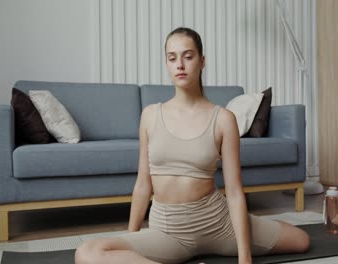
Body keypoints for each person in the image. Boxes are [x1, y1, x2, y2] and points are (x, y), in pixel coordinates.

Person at [75, 27, 310, 264]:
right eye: (172, 58)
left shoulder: (223, 119)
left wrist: (244, 257)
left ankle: (254, 233)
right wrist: (132, 244)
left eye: (188, 56)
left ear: (202, 61)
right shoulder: (150, 115)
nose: (180, 64)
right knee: (87, 253)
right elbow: (143, 185)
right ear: (166, 63)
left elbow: (235, 191)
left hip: (219, 224)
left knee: (301, 240)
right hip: (167, 233)